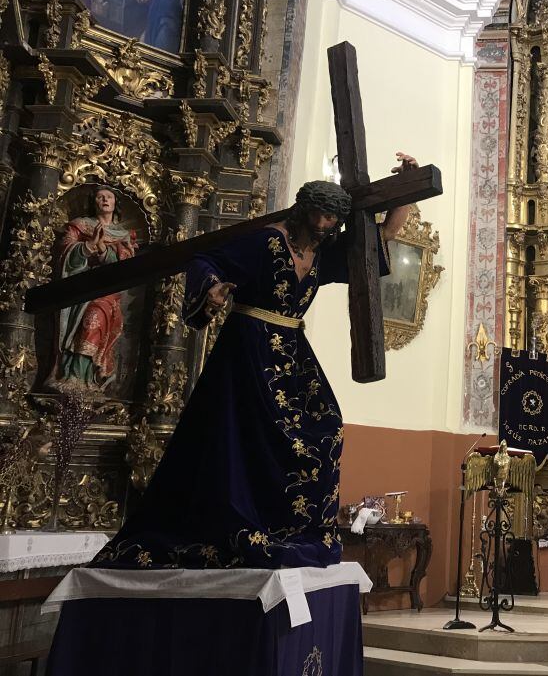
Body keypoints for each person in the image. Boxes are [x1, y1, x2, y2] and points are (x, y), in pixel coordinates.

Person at [94, 153, 418, 569]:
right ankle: (242, 525)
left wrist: (405, 193)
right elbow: (206, 259)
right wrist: (210, 290)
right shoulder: (265, 242)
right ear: (302, 212)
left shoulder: (323, 252)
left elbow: (380, 241)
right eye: (317, 219)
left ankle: (291, 527)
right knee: (248, 433)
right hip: (249, 346)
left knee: (326, 424)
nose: (322, 229)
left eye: (331, 224)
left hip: (292, 351)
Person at [51, 187, 138, 391]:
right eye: (100, 197)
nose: (105, 200)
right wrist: (88, 245)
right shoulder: (81, 225)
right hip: (80, 287)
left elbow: (126, 267)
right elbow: (65, 253)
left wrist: (102, 249)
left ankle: (86, 378)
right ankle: (72, 374)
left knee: (95, 318)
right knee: (83, 322)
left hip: (108, 292)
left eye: (109, 197)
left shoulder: (124, 235)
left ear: (116, 203)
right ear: (94, 202)